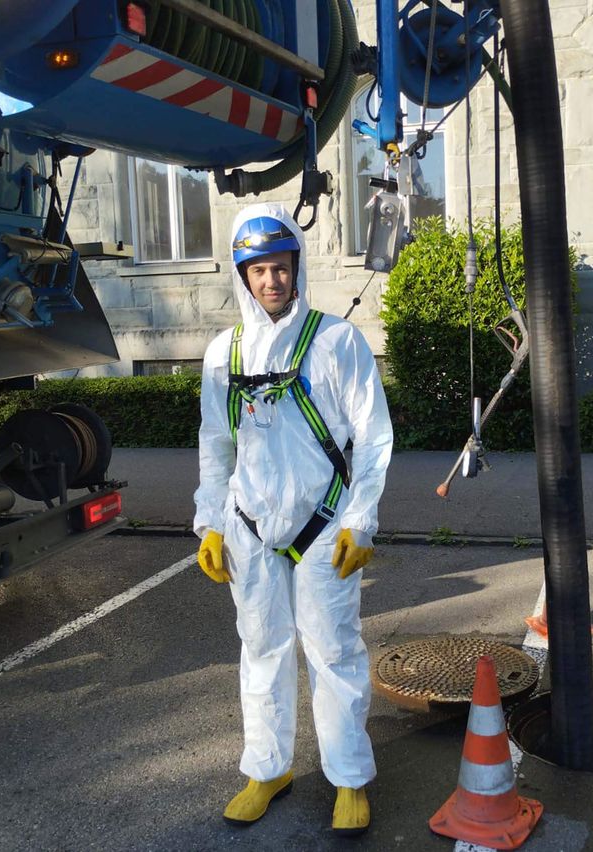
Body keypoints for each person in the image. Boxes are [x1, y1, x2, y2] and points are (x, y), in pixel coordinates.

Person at [193, 202, 393, 835]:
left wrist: (360, 520)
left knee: (332, 653)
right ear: (242, 275)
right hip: (250, 524)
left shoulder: (337, 341)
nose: (272, 281)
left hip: (324, 525)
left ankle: (349, 777)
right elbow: (215, 442)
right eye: (259, 270)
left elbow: (374, 437)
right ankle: (267, 767)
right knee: (261, 650)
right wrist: (212, 521)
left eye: (281, 268)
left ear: (297, 268)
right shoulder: (224, 353)